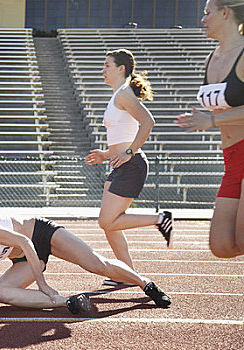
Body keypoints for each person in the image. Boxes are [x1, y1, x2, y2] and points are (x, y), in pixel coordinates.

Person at [0, 212, 171, 314]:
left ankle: (145, 283)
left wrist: (42, 283)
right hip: (25, 257)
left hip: (40, 235)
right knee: (1, 293)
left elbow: (25, 242)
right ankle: (68, 302)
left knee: (97, 264)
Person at [84, 49, 173, 285]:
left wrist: (130, 151)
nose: (103, 70)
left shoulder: (124, 94)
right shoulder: (117, 95)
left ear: (121, 69)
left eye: (107, 66)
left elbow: (148, 122)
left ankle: (160, 218)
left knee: (107, 221)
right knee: (109, 226)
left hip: (131, 164)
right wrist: (105, 154)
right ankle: (128, 275)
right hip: (120, 163)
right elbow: (120, 133)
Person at [175, 0, 244, 258]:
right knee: (222, 245)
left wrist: (212, 121)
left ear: (225, 12)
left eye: (207, 13)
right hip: (232, 159)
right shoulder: (210, 59)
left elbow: (220, 115)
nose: (202, 20)